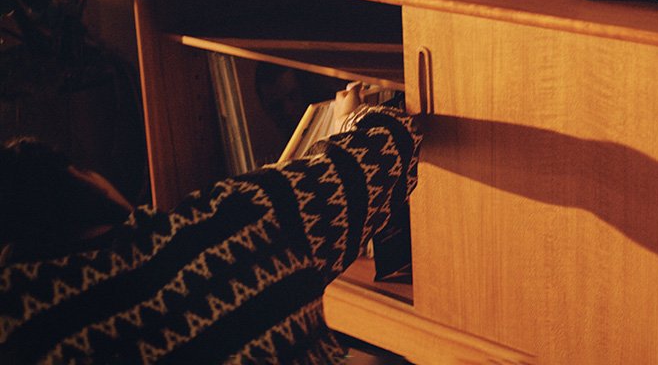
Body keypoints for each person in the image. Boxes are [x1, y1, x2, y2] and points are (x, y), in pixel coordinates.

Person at [0, 104, 421, 364]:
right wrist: (353, 114)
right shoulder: (234, 225)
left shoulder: (18, 328)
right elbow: (390, 146)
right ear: (82, 180)